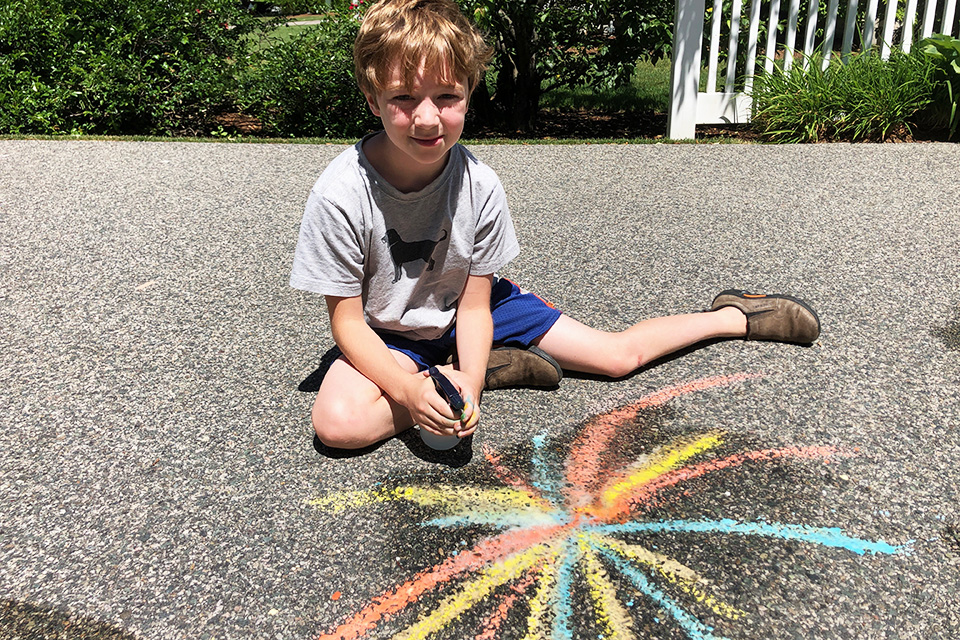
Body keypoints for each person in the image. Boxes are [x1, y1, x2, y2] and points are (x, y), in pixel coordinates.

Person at [289, 0, 820, 450]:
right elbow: (349, 324)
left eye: (446, 96)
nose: (427, 117)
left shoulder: (479, 184)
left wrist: (466, 384)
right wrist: (410, 393)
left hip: (472, 309)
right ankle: (476, 372)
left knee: (616, 358)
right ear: (372, 98)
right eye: (403, 97)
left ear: (470, 94)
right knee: (338, 425)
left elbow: (475, 305)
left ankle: (732, 315)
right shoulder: (341, 193)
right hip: (389, 329)